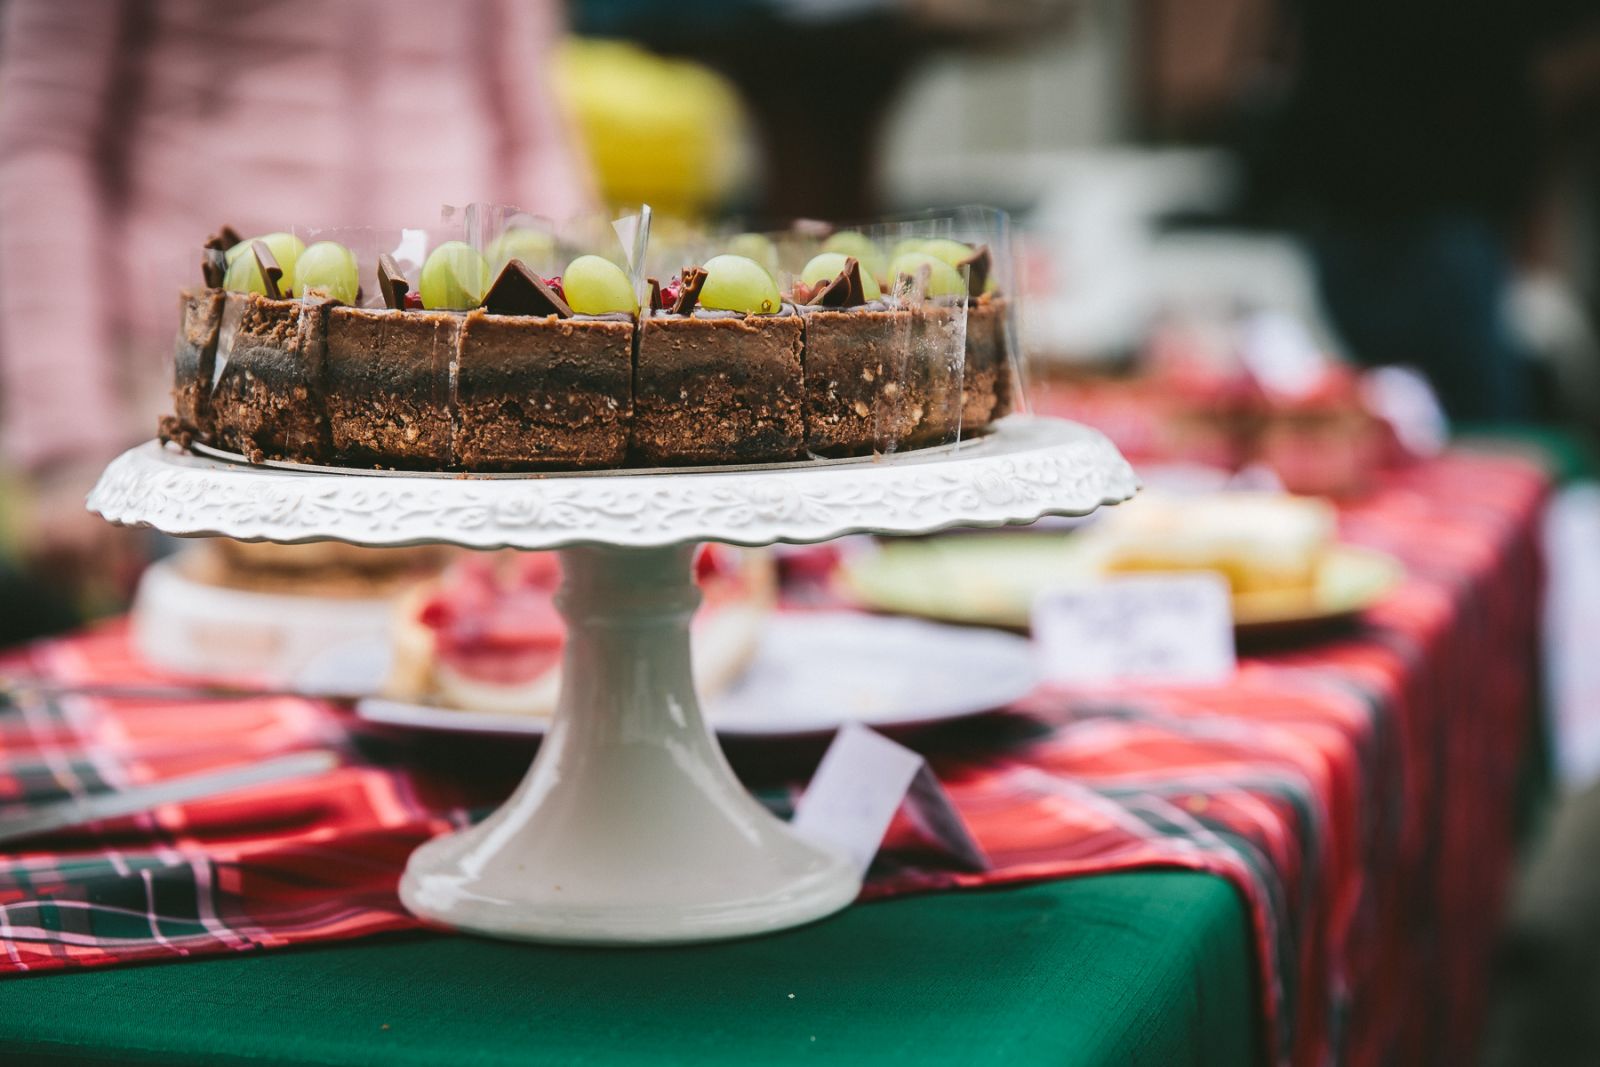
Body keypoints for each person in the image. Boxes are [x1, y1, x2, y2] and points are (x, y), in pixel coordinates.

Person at [0, 0, 594, 630]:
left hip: (450, 388)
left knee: (430, 660)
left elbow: (530, 125)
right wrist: (68, 438)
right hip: (218, 394)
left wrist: (563, 381)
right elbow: (45, 135)